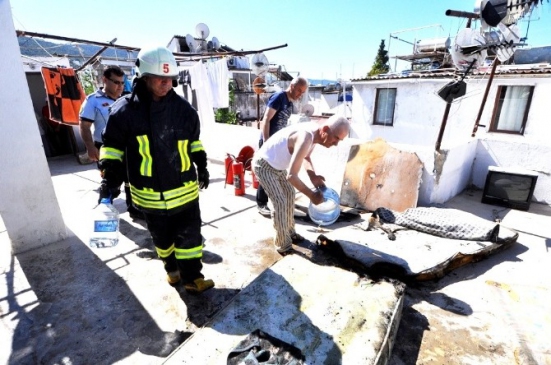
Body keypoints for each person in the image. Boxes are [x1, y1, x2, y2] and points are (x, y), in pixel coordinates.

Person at [97, 46, 214, 294]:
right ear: (144, 77)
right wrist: (110, 180)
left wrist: (201, 164)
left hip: (184, 191)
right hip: (148, 195)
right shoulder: (124, 112)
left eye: (170, 78)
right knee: (162, 240)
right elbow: (112, 149)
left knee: (190, 239)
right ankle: (172, 271)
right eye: (160, 78)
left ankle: (193, 277)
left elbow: (194, 141)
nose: (166, 83)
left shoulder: (184, 111)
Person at [252, 116, 350, 254]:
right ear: (325, 130)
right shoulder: (305, 137)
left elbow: (306, 156)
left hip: (277, 166)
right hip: (264, 165)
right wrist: (312, 196)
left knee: (290, 194)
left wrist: (313, 176)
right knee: (280, 202)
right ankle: (283, 245)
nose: (336, 144)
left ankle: (290, 233)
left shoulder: (315, 134)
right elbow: (292, 176)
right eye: (336, 138)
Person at [79, 66, 142, 219]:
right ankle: (105, 211)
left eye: (122, 83)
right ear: (105, 80)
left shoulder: (128, 98)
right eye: (116, 82)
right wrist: (90, 147)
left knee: (132, 180)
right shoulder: (93, 100)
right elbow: (84, 125)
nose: (120, 86)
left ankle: (134, 209)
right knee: (111, 182)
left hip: (128, 147)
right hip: (106, 148)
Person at [256, 77, 309, 217]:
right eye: (298, 90)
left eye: (302, 92)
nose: (300, 94)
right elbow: (266, 120)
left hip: (278, 144)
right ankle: (261, 204)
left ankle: (276, 200)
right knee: (265, 172)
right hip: (268, 142)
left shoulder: (290, 104)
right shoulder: (279, 97)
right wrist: (267, 142)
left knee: (275, 172)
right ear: (291, 85)